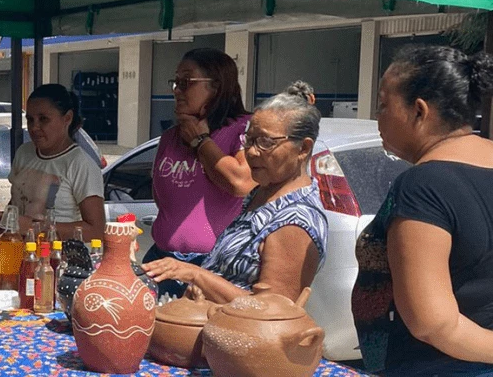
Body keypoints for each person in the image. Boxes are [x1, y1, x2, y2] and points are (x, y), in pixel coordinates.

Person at [352, 46, 493, 376]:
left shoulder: (423, 185)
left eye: (384, 105)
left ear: (419, 111)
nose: (378, 118)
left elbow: (432, 323)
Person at [143, 82, 328, 305]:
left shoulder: (294, 222)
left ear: (304, 149)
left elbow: (271, 310)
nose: (251, 151)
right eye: (248, 140)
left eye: (266, 142)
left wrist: (196, 275)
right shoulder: (262, 196)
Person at [144, 48, 255, 297]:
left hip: (213, 269)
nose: (176, 90)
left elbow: (240, 183)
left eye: (186, 82)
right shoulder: (171, 137)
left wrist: (201, 141)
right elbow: (163, 200)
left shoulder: (242, 129)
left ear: (216, 86)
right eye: (175, 82)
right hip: (163, 260)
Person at [0, 84, 106, 241]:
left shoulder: (81, 164)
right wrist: (4, 219)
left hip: (59, 260)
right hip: (17, 255)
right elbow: (18, 200)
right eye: (30, 120)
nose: (34, 127)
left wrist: (36, 228)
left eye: (43, 119)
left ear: (67, 118)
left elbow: (96, 230)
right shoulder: (24, 153)